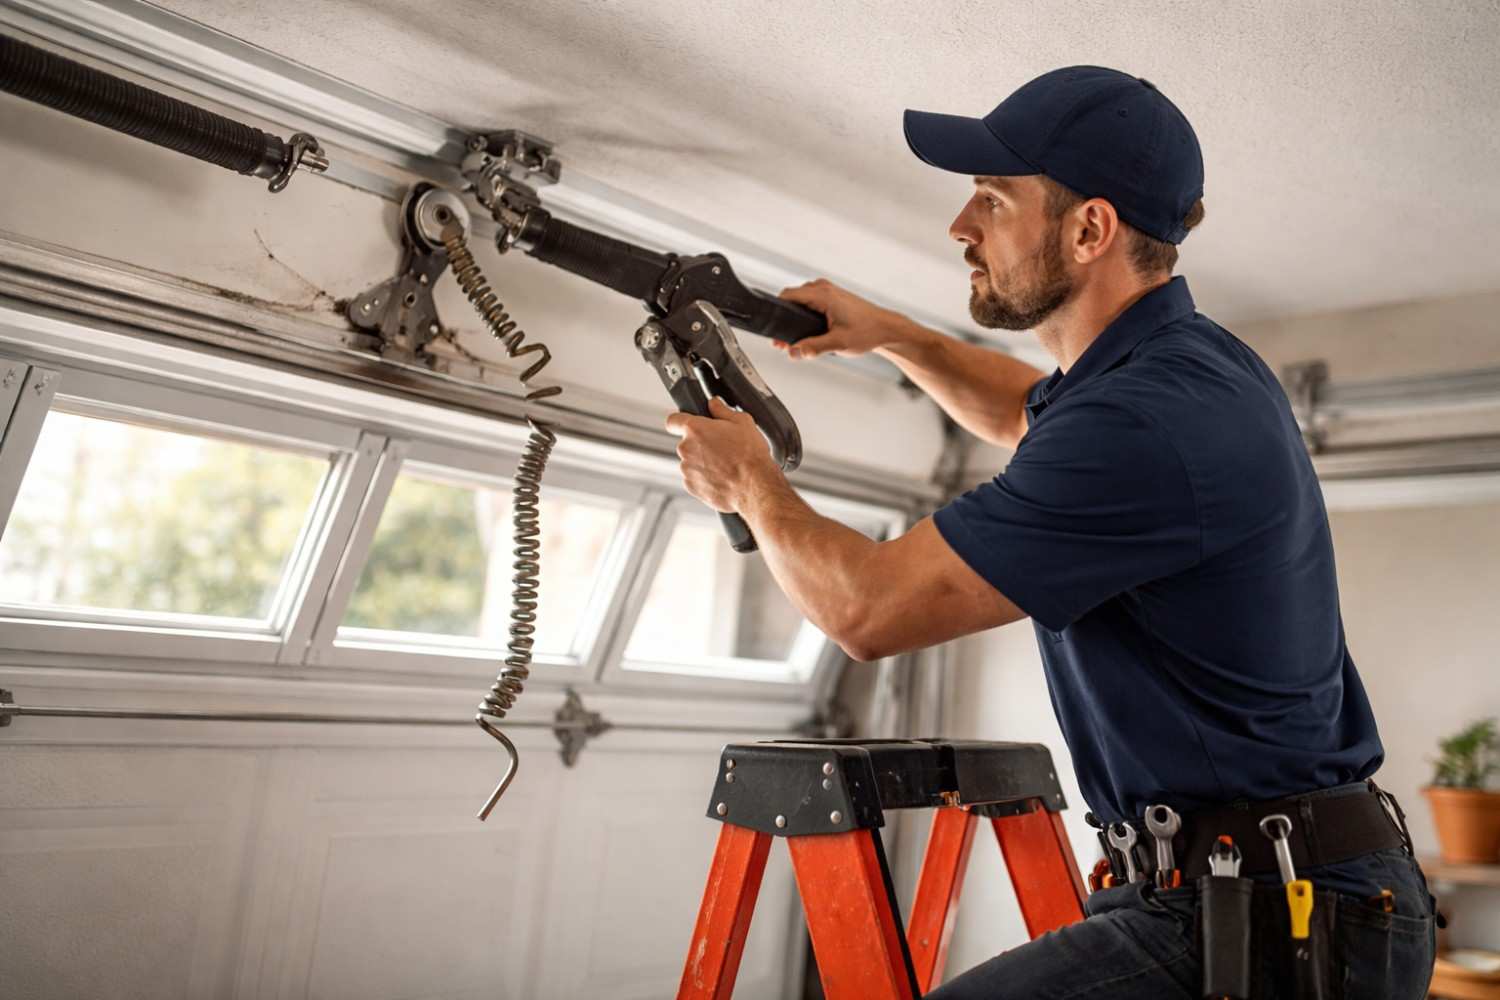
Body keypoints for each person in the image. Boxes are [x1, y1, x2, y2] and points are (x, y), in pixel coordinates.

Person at [665, 65, 1437, 997]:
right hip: (1255, 889)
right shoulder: (1173, 369)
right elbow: (1018, 412)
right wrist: (895, 336)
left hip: (1277, 915)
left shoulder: (1144, 422)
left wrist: (751, 484)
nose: (960, 226)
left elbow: (863, 611)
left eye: (992, 199)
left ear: (1088, 229)